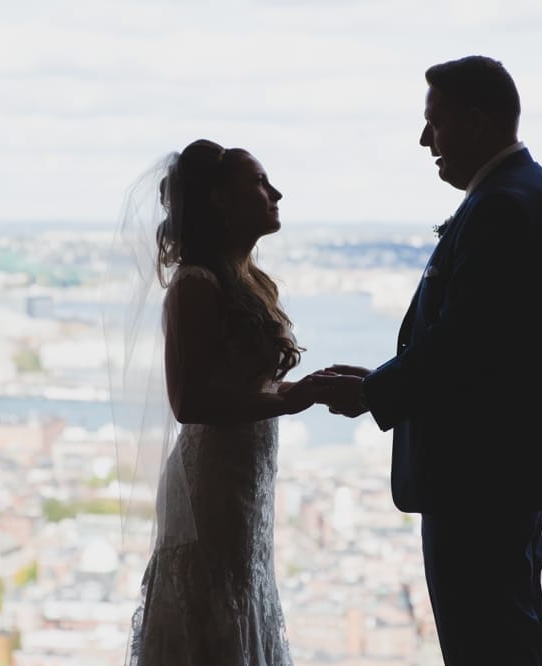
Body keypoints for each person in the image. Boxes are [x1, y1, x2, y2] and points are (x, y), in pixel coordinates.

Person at [319, 56, 542, 665]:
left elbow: (464, 345)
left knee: (487, 642)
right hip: (498, 470)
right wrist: (382, 381)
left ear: (476, 121)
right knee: (507, 632)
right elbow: (479, 344)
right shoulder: (519, 192)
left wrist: (372, 393)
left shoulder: (503, 206)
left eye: (434, 123)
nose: (424, 141)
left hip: (480, 475)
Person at [116, 139, 328, 665]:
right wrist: (296, 398)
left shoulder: (244, 281)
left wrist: (310, 388)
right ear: (220, 201)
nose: (275, 192)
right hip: (208, 483)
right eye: (258, 182)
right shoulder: (195, 284)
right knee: (214, 601)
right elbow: (190, 402)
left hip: (241, 480)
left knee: (240, 590)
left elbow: (243, 386)